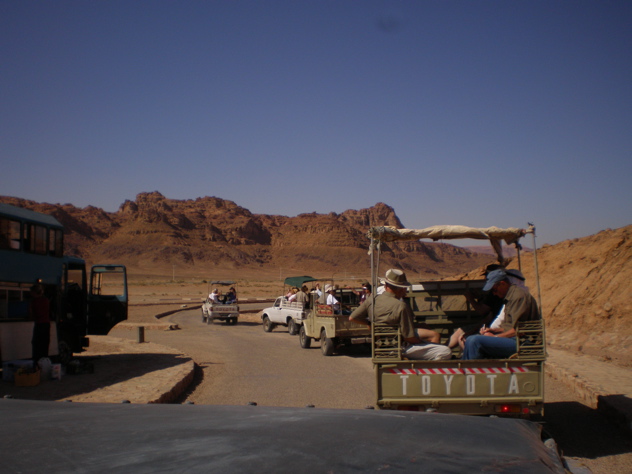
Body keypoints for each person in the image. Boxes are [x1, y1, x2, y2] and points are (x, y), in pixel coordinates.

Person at [349, 269, 452, 361]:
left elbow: (352, 317)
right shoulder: (401, 306)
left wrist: (369, 323)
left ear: (385, 286)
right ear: (402, 289)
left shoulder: (372, 300)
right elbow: (409, 337)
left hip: (380, 346)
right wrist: (423, 343)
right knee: (445, 351)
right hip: (399, 347)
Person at [461, 269, 540, 360]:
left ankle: (470, 371)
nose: (494, 293)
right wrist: (493, 330)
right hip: (514, 339)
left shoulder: (518, 297)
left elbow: (519, 330)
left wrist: (495, 337)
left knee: (474, 341)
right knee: (469, 339)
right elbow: (510, 326)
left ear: (502, 283)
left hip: (521, 342)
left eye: (494, 290)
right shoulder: (510, 296)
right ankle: (464, 370)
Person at [29, 283, 50, 366]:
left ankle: (37, 365)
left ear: (34, 292)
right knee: (44, 346)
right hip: (46, 325)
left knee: (37, 345)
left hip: (39, 325)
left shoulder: (34, 302)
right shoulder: (46, 300)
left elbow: (32, 315)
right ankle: (44, 364)